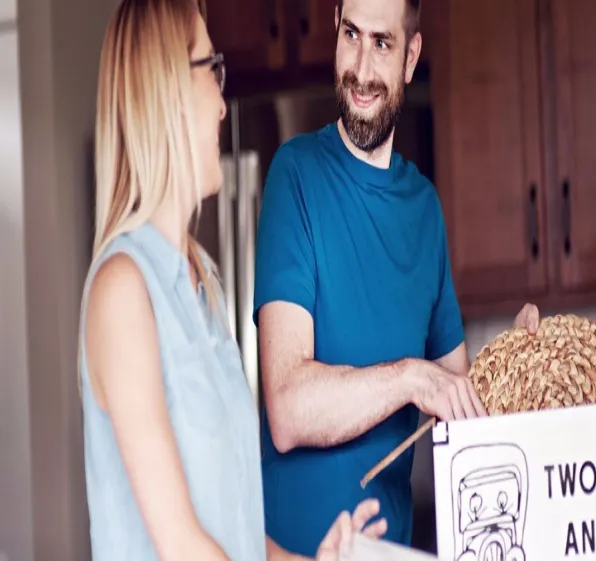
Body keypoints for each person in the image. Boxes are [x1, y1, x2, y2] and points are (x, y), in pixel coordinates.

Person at [76, 0, 387, 559]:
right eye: (211, 69)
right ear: (166, 85)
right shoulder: (123, 290)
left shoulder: (202, 287)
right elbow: (181, 546)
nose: (223, 105)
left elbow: (231, 530)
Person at [252, 0, 541, 556]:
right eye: (350, 34)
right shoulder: (296, 176)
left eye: (381, 44)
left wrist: (521, 361)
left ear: (410, 57)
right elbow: (286, 408)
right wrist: (411, 377)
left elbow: (460, 400)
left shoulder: (423, 210)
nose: (360, 69)